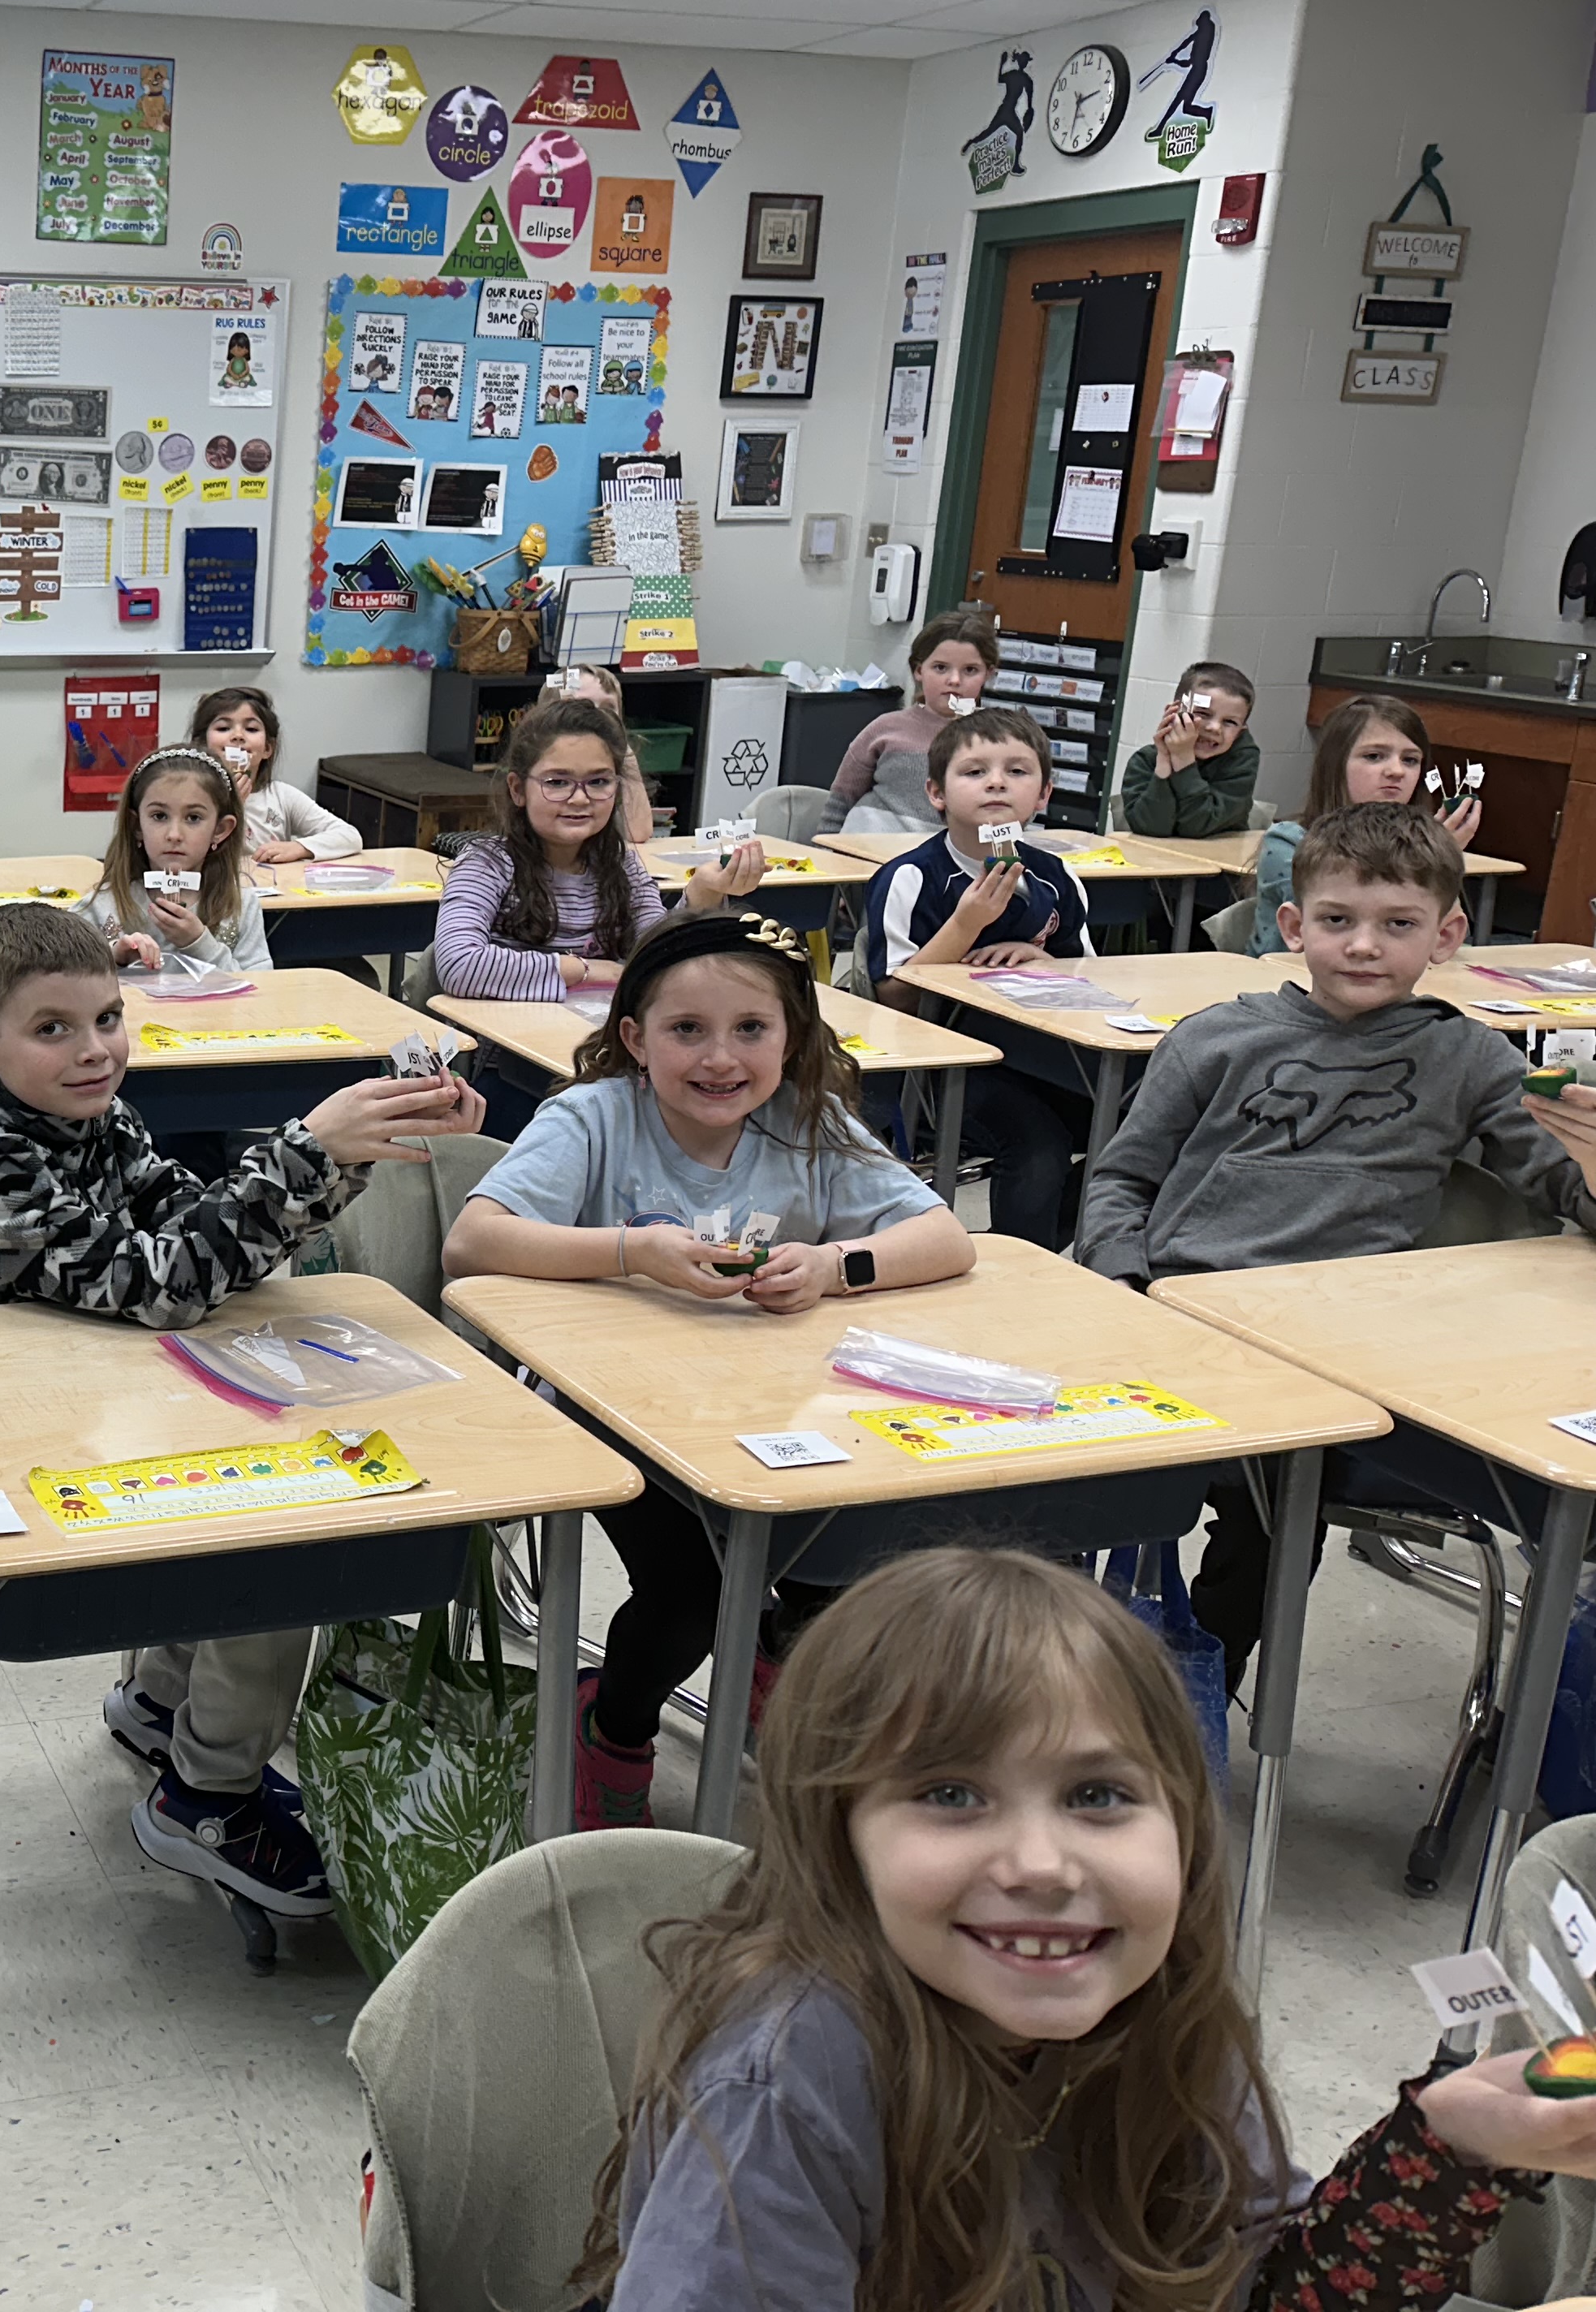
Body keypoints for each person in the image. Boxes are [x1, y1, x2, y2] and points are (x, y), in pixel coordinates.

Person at [578, 1545, 1596, 2310]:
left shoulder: (1163, 2017)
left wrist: (1448, 2149)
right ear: (834, 1841)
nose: (1040, 1864)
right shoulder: (791, 2083)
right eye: (950, 1794)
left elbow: (1269, 2295)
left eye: (1100, 1796)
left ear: (1185, 1833)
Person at [0, 902, 486, 1918]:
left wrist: (351, 1147)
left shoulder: (93, 1120)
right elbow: (165, 1282)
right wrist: (311, 1144)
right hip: (4, 1465)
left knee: (259, 1459)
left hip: (87, 1407)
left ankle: (161, 1706)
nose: (96, 1052)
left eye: (109, 1019)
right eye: (53, 1030)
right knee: (280, 1544)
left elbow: (183, 1217)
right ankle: (204, 1798)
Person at [440, 914, 971, 1829]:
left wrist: (837, 1266)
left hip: (773, 1410)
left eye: (751, 1031)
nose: (720, 1059)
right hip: (613, 1415)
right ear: (637, 1040)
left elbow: (946, 1236)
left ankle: (773, 1670)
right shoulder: (593, 1116)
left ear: (791, 1038)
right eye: (687, 1032)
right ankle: (614, 1726)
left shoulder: (808, 1120)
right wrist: (631, 1251)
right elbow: (472, 1243)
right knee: (694, 1593)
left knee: (837, 1564)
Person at [1078, 803, 1596, 1693]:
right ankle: (1102, 1679)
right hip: (1188, 1318)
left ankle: (1193, 1685)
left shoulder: (1471, 1058)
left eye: (1398, 925)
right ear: (1293, 926)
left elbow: (1567, 1195)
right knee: (1089, 1502)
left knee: (1280, 1499)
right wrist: (1127, 1285)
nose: (1365, 946)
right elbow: (1120, 1180)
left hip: (1349, 1352)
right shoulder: (1215, 1037)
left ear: (1447, 934)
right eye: (1338, 921)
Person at [858, 705, 1093, 1248]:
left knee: (1141, 1123)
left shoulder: (1056, 876)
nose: (996, 783)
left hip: (1046, 1056)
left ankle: (1038, 1247)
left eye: (1017, 771)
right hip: (945, 1069)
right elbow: (892, 999)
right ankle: (1019, 1268)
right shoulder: (911, 877)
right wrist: (967, 924)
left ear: (1043, 796)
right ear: (937, 794)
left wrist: (1043, 960)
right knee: (1038, 1147)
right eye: (974, 772)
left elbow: (1087, 978)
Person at [434, 700, 761, 1006]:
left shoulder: (623, 866)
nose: (579, 798)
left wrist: (702, 894)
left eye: (599, 782)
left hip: (604, 1041)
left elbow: (658, 958)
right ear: (518, 789)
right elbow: (458, 964)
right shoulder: (487, 864)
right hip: (511, 1054)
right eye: (558, 782)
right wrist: (588, 970)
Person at [1252, 692, 1482, 955]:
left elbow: (1442, 947)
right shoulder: (1288, 842)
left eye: (1410, 760)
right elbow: (1332, 933)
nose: (1397, 771)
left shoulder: (1419, 844)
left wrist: (1442, 859)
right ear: (1335, 765)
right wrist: (1432, 862)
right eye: (1374, 756)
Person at [85, 744, 270, 977]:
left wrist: (199, 943)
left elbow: (262, 990)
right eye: (159, 816)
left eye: (193, 818)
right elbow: (60, 978)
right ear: (136, 825)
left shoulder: (240, 906)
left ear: (220, 830)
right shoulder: (102, 906)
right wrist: (114, 959)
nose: (174, 834)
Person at [825, 611, 995, 833]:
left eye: (970, 670)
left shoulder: (1000, 740)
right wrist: (825, 852)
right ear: (918, 670)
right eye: (940, 668)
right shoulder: (885, 729)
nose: (954, 680)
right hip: (867, 853)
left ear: (989, 674)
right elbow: (839, 803)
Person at [189, 684, 362, 863]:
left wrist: (299, 847)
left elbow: (350, 836)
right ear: (201, 745)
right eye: (224, 728)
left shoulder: (281, 797)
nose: (238, 736)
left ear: (267, 749)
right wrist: (227, 805)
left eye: (252, 729)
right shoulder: (188, 796)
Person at [1115, 661, 1259, 839]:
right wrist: (1164, 767)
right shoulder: (1145, 760)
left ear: (1240, 732)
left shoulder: (1241, 760)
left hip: (1217, 862)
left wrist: (1183, 761)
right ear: (1173, 713)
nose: (1215, 727)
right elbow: (1151, 829)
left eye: (1230, 722)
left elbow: (1199, 826)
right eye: (1204, 714)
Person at [539, 665, 657, 846]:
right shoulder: (541, 762)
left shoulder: (617, 760)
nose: (599, 718)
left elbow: (638, 833)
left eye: (609, 709)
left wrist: (625, 752)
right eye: (584, 706)